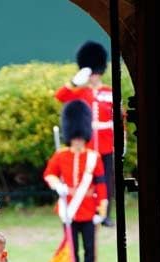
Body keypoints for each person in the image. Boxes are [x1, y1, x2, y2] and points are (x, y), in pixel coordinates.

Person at [43, 100, 108, 262]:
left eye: (80, 138)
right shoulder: (61, 155)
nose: (78, 141)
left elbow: (102, 185)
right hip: (68, 210)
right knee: (72, 249)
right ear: (71, 136)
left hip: (88, 210)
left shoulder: (93, 156)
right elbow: (49, 173)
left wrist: (101, 210)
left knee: (89, 250)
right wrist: (58, 186)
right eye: (75, 138)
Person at [55, 40, 117, 227]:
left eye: (96, 73)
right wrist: (74, 81)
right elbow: (60, 97)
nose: (94, 77)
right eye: (92, 73)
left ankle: (105, 214)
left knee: (106, 181)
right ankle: (86, 213)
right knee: (85, 182)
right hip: (87, 146)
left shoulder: (110, 92)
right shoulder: (79, 92)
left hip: (106, 145)